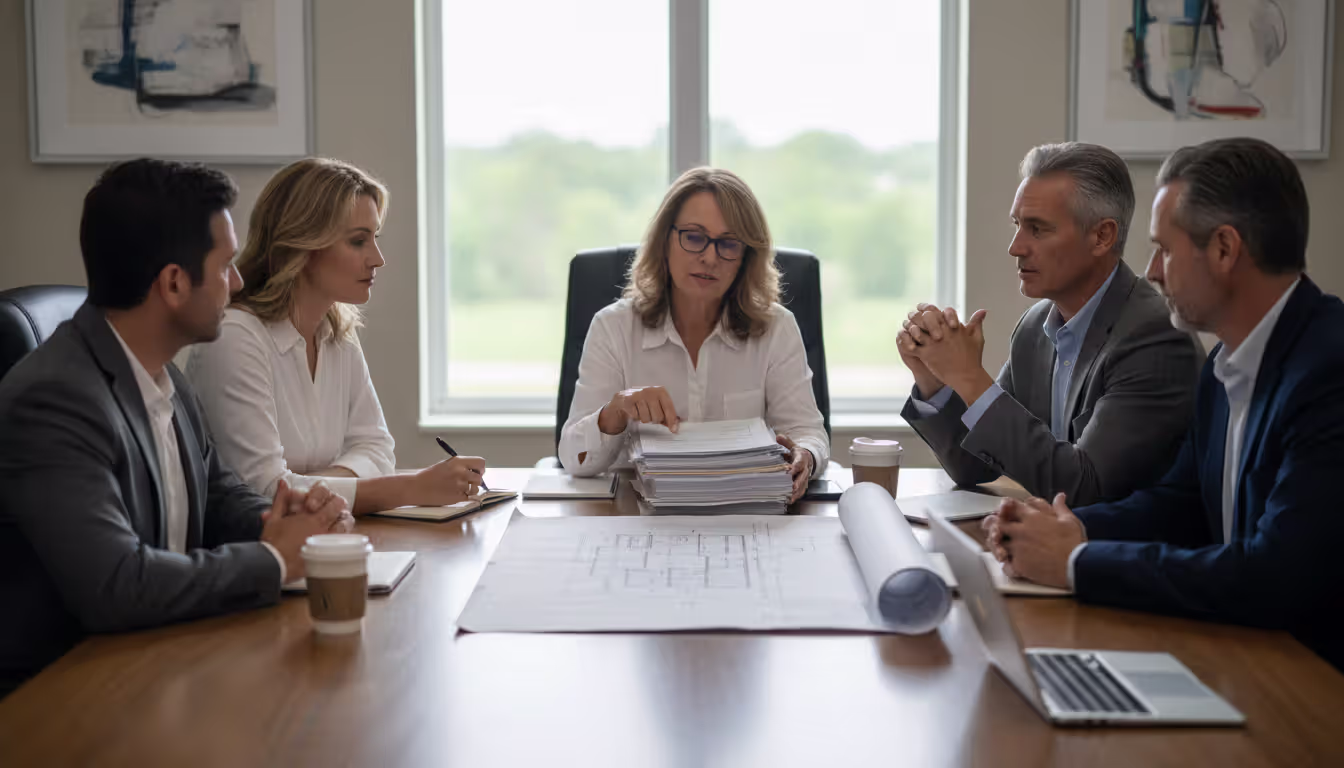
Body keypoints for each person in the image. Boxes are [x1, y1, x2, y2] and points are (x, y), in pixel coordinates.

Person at [984, 137, 1344, 671]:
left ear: (1224, 250)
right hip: (1243, 652)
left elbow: (1274, 577)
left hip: (1311, 679)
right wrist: (1070, 530)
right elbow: (1181, 504)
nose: (1151, 270)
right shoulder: (1225, 364)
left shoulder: (1329, 372)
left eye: (1165, 249)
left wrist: (1078, 562)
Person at [0, 159, 352, 696]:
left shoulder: (161, 372)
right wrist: (274, 557)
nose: (236, 284)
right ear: (173, 283)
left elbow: (213, 493)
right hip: (68, 695)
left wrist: (279, 517)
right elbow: (116, 584)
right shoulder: (55, 400)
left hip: (159, 656)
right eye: (226, 265)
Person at [898, 142, 1202, 506]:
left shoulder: (1155, 337)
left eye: (1037, 229)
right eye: (1017, 225)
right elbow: (975, 466)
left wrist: (969, 378)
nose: (1015, 246)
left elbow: (1085, 487)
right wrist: (933, 379)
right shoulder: (1035, 327)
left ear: (1102, 236)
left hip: (1126, 554)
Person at [186, 158, 486, 515]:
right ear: (302, 244)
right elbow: (265, 493)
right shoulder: (235, 338)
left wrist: (311, 486)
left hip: (323, 534)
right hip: (251, 555)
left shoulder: (337, 331)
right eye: (358, 241)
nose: (377, 259)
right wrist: (410, 487)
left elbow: (376, 448)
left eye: (375, 238)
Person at [559, 167, 828, 501]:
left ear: (745, 256)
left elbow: (808, 433)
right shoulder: (613, 327)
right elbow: (574, 460)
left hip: (745, 513)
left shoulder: (776, 327)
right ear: (664, 242)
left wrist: (806, 455)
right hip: (639, 519)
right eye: (695, 237)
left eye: (728, 243)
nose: (710, 257)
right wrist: (613, 414)